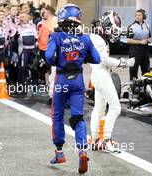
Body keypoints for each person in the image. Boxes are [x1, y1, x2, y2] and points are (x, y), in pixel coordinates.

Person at [45, 4, 101, 174]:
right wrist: (84, 57)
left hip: (62, 80)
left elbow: (48, 57)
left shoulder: (56, 36)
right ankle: (83, 150)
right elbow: (97, 59)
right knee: (77, 117)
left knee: (58, 115)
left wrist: (55, 61)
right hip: (78, 81)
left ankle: (59, 153)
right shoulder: (85, 38)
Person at [89, 11, 135, 152]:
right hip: (101, 74)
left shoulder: (97, 37)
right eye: (114, 30)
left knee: (99, 109)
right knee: (115, 108)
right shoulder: (98, 39)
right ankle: (106, 140)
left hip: (98, 74)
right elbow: (104, 60)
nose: (115, 33)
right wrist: (124, 63)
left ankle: (96, 140)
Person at [127, 9, 151, 80]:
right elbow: (128, 40)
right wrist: (140, 42)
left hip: (145, 52)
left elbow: (150, 38)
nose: (137, 17)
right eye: (136, 15)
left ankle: (146, 88)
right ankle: (134, 89)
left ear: (143, 16)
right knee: (133, 72)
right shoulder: (132, 27)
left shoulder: (147, 25)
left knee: (146, 72)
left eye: (139, 15)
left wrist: (148, 40)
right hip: (135, 52)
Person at [16, 12, 37, 92]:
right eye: (20, 17)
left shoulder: (33, 26)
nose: (21, 19)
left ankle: (35, 83)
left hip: (32, 50)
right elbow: (13, 39)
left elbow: (36, 38)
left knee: (34, 68)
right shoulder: (17, 27)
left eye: (23, 17)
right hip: (23, 50)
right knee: (22, 67)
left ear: (28, 18)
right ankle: (21, 84)